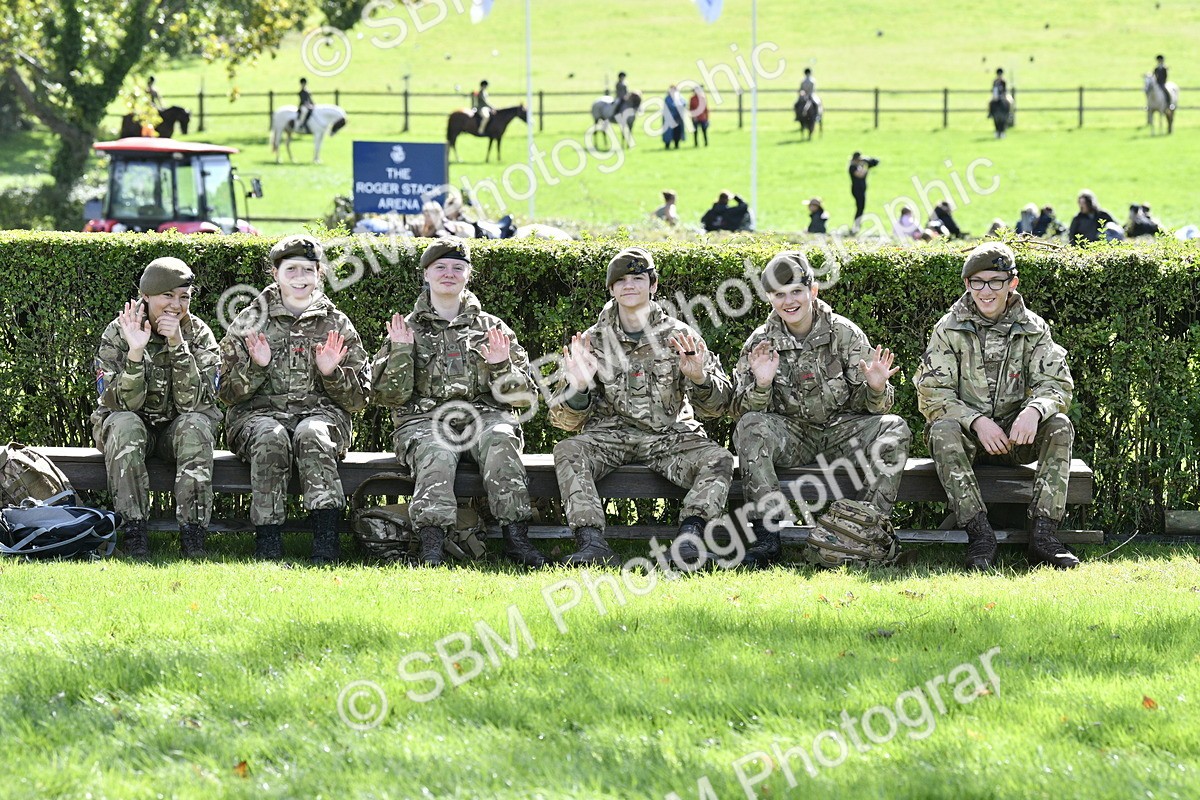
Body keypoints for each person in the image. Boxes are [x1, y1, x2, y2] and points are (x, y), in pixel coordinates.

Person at [550, 247, 735, 566]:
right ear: (611, 289)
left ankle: (689, 541)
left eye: (638, 278)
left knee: (719, 459)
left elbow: (719, 407)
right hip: (610, 437)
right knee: (568, 450)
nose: (629, 285)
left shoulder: (680, 335)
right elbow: (562, 420)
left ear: (653, 285)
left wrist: (700, 377)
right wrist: (578, 386)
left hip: (669, 436)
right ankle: (592, 543)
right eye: (621, 281)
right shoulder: (592, 341)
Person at [371, 238, 544, 568]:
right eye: (440, 267)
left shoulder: (492, 328)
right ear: (426, 274)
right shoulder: (406, 328)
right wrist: (402, 352)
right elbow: (388, 398)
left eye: (457, 267)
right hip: (424, 421)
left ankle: (517, 541)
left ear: (468, 274)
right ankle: (431, 545)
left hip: (484, 417)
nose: (448, 273)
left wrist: (501, 366)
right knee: (437, 450)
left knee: (501, 439)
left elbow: (523, 398)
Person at [731, 252, 911, 567]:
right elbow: (740, 411)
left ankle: (866, 529)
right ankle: (767, 539)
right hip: (793, 436)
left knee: (894, 426)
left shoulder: (844, 334)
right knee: (750, 426)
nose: (789, 301)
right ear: (769, 298)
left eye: (796, 291)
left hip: (841, 433)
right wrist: (762, 384)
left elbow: (874, 408)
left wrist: (876, 388)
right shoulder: (760, 343)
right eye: (779, 295)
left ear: (813, 291)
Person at [914, 242, 1079, 571]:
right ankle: (980, 536)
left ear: (1012, 283)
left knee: (1059, 426)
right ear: (967, 284)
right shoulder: (948, 329)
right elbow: (932, 393)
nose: (986, 291)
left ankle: (1043, 536)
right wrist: (976, 421)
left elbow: (1057, 384)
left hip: (1017, 438)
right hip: (968, 440)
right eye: (977, 282)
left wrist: (1034, 410)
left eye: (995, 281)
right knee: (942, 430)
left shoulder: (1033, 328)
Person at [219, 235, 371, 564]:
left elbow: (359, 400)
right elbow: (226, 393)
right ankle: (269, 544)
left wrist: (331, 373)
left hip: (322, 417)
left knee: (312, 433)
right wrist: (257, 367)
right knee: (270, 436)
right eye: (291, 269)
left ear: (319, 273)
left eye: (307, 269)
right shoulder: (250, 321)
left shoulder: (336, 323)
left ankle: (326, 543)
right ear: (275, 273)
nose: (299, 277)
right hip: (256, 418)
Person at [92, 258, 220, 558]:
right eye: (168, 295)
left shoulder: (198, 334)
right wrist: (135, 352)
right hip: (132, 427)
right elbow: (121, 404)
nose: (176, 305)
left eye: (184, 297)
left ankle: (193, 536)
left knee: (196, 426)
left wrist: (177, 343)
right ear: (146, 296)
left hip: (175, 431)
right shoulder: (119, 332)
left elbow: (195, 403)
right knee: (124, 424)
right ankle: (134, 532)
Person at [848, 152, 879, 233]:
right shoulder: (852, 167)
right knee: (860, 208)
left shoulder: (859, 166)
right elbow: (860, 175)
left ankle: (857, 225)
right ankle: (856, 226)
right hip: (857, 190)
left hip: (861, 190)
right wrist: (866, 167)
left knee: (861, 208)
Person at [662, 85, 685, 149]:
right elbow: (670, 106)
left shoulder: (680, 98)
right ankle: (667, 146)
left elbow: (684, 103)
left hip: (678, 118)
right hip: (669, 119)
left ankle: (676, 145)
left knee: (677, 132)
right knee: (668, 133)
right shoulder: (667, 98)